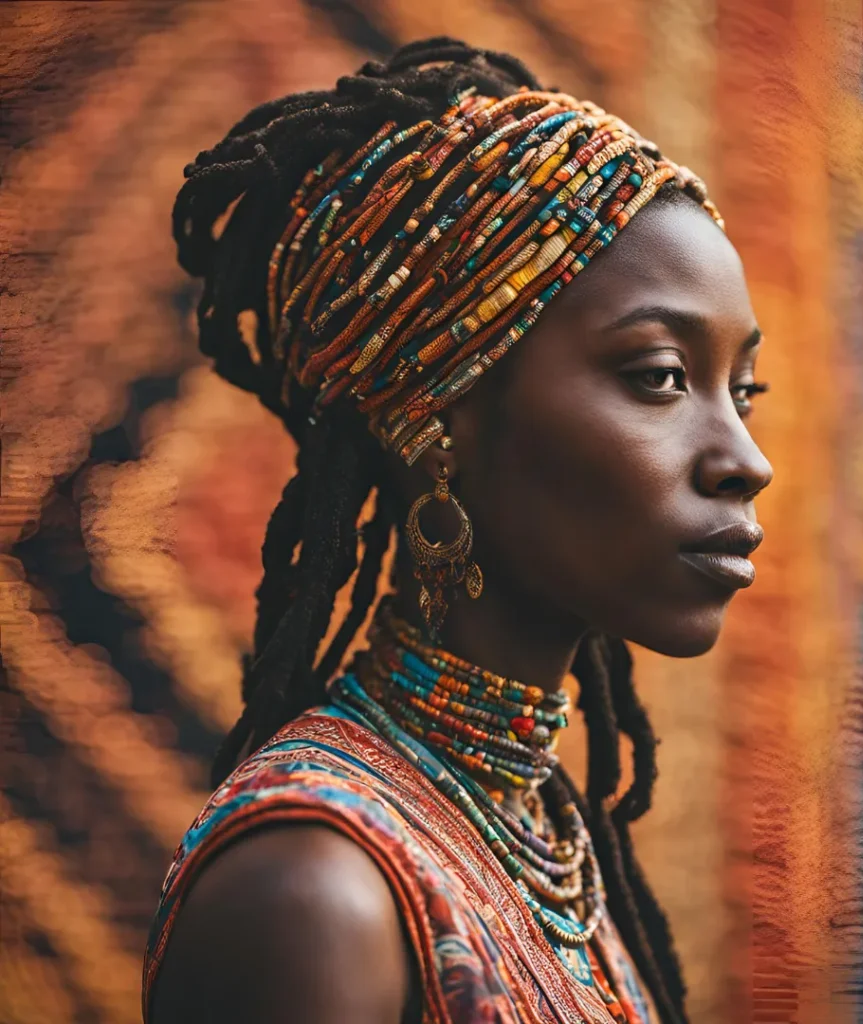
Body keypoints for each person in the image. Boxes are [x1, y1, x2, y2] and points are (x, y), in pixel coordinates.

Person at [144, 36, 773, 1024]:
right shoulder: (317, 897)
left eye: (744, 390)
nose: (744, 457)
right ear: (434, 422)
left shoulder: (547, 833)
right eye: (658, 376)